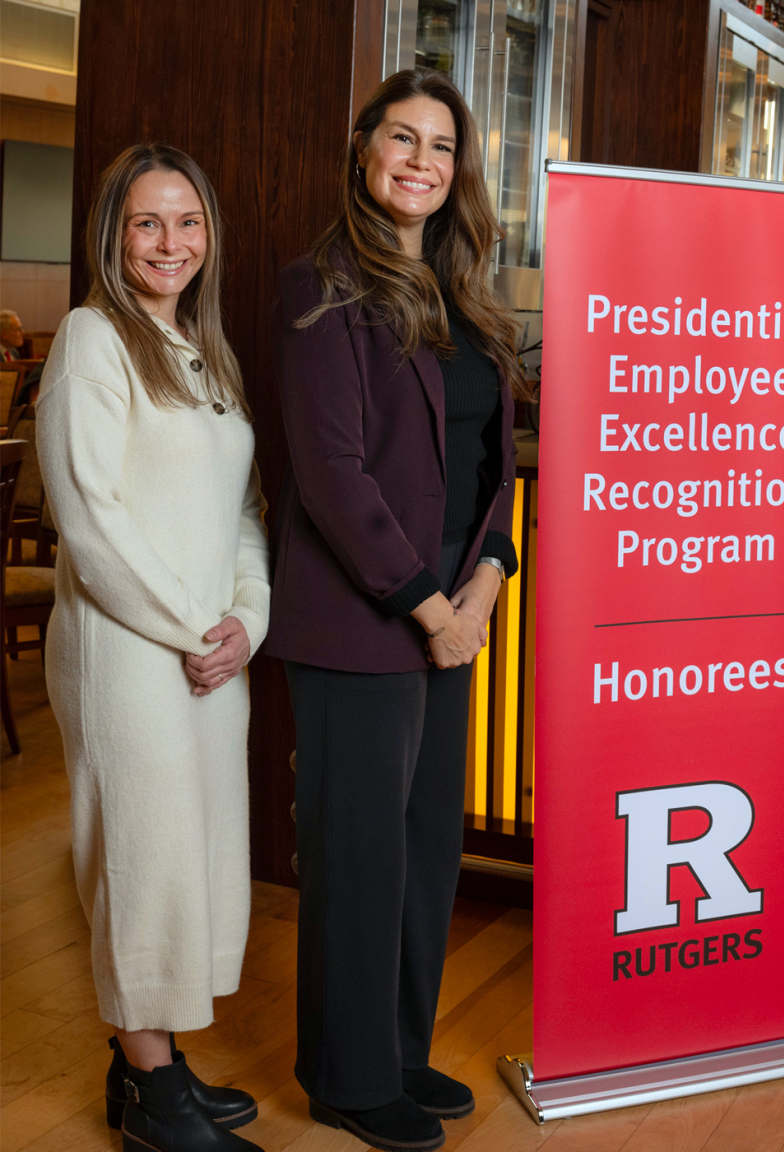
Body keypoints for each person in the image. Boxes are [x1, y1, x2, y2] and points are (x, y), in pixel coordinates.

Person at [267, 68, 527, 1152]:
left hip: (452, 616)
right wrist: (433, 609)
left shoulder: (466, 295)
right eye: (402, 139)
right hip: (364, 625)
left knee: (425, 858)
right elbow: (331, 475)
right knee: (359, 859)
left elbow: (490, 460)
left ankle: (399, 1053)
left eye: (442, 146)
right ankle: (344, 1075)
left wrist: (491, 576)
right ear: (363, 150)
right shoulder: (320, 285)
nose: (422, 161)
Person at [37, 144, 268, 1152]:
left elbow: (246, 513)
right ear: (113, 235)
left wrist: (246, 622)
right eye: (146, 223)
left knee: (189, 859)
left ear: (208, 236)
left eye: (186, 223)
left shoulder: (205, 353)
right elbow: (91, 520)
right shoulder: (93, 338)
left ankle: (149, 1070)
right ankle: (157, 1104)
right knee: (137, 856)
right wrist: (193, 626)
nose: (169, 243)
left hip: (213, 653)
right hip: (130, 654)